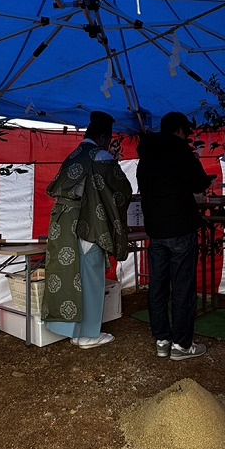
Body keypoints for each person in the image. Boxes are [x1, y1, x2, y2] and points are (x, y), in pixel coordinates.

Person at [43, 111, 131, 348]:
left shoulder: (73, 156)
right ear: (103, 137)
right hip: (89, 221)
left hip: (63, 222)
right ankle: (88, 335)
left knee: (70, 276)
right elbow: (122, 189)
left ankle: (72, 331)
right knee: (91, 277)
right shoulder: (100, 155)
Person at [137, 111, 214, 360]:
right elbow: (200, 183)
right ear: (181, 130)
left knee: (158, 286)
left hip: (155, 231)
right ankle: (181, 346)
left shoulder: (146, 155)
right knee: (182, 287)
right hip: (180, 229)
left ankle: (162, 341)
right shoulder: (181, 151)